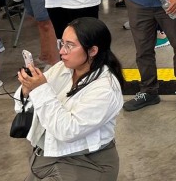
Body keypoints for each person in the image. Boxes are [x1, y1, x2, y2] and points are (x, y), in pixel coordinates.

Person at [15, 17, 124, 181]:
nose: (62, 51)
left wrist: (39, 88)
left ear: (92, 51)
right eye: (62, 43)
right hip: (51, 155)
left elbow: (67, 130)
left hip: (87, 163)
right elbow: (21, 107)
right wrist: (27, 89)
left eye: (70, 45)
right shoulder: (64, 68)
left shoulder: (105, 89)